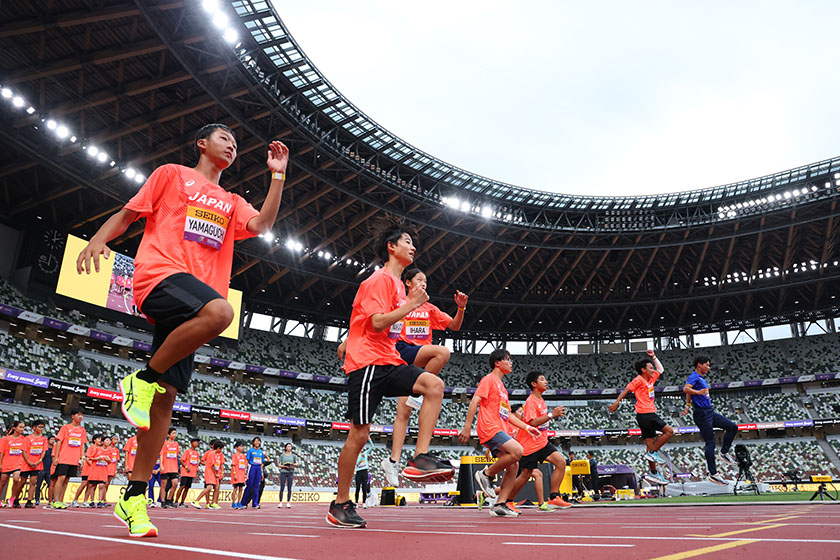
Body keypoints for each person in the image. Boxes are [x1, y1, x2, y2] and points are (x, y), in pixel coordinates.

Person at [76, 123, 289, 537]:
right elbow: (128, 213)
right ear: (201, 144)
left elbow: (262, 224)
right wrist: (99, 239)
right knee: (222, 313)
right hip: (160, 274)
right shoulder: (172, 174)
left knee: (166, 400)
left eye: (236, 143)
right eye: (224, 138)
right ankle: (141, 379)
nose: (231, 145)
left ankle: (134, 496)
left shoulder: (232, 201)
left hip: (194, 301)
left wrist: (277, 175)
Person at [328, 216, 454, 528]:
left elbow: (371, 322)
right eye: (407, 241)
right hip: (368, 365)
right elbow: (375, 323)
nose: (413, 247)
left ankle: (420, 456)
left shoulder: (398, 286)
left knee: (434, 385)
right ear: (391, 247)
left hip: (390, 360)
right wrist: (411, 304)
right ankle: (340, 503)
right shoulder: (380, 280)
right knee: (359, 435)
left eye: (413, 243)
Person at [378, 267, 468, 486]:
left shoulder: (429, 308)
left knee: (441, 353)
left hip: (419, 355)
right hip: (400, 351)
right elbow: (377, 323)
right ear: (408, 283)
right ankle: (393, 461)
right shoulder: (399, 302)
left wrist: (461, 308)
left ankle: (399, 459)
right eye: (419, 279)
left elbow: (454, 326)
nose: (424, 283)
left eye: (426, 281)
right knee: (403, 413)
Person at [460, 349, 541, 517]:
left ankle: (500, 504)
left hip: (500, 428)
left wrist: (526, 428)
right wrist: (467, 426)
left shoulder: (502, 387)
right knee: (518, 451)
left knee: (514, 465)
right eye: (508, 359)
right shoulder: (488, 380)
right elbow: (475, 401)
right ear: (497, 363)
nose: (511, 363)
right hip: (490, 427)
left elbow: (508, 415)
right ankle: (486, 474)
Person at [507, 372, 572, 510]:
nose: (546, 381)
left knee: (561, 462)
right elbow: (532, 422)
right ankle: (507, 501)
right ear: (534, 384)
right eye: (542, 379)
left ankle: (554, 497)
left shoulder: (541, 400)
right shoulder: (531, 401)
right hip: (530, 445)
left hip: (542, 442)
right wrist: (551, 415)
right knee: (525, 475)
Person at [608, 350, 674, 485]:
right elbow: (626, 390)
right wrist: (616, 402)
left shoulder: (652, 378)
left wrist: (654, 357)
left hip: (647, 414)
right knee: (669, 431)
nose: (653, 369)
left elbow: (661, 369)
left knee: (650, 444)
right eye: (650, 368)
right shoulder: (638, 380)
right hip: (646, 414)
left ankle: (653, 473)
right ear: (643, 370)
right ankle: (653, 453)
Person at [681, 355, 738, 485]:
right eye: (706, 364)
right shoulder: (694, 376)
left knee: (732, 427)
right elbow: (686, 389)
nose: (709, 367)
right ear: (699, 365)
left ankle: (724, 452)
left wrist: (688, 405)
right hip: (702, 414)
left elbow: (689, 392)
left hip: (709, 411)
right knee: (710, 442)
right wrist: (699, 393)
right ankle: (713, 474)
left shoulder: (701, 378)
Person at [52, 408, 88, 508]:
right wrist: (56, 457)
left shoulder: (82, 430)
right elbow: (59, 442)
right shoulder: (65, 428)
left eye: (82, 415)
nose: (80, 416)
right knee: (61, 478)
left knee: (67, 480)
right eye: (78, 414)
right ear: (72, 416)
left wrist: (82, 458)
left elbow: (82, 445)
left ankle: (61, 500)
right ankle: (56, 500)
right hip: (64, 457)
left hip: (74, 459)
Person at [21, 419, 47, 508]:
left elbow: (43, 451)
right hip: (26, 464)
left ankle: (29, 501)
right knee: (22, 481)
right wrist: (28, 462)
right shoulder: (27, 438)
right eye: (39, 427)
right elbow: (23, 451)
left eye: (42, 427)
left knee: (33, 482)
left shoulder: (44, 439)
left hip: (36, 464)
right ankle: (16, 498)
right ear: (34, 428)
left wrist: (38, 461)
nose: (41, 429)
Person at [0, 420, 26, 508]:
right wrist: (0, 463)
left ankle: (12, 498)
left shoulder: (24, 439)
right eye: (20, 427)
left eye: (23, 428)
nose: (22, 429)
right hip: (6, 463)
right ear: (14, 428)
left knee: (16, 479)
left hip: (18, 464)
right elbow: (1, 452)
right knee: (2, 482)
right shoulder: (5, 439)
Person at [193, 439, 224, 509]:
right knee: (209, 487)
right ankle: (196, 501)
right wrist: (216, 473)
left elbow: (220, 464)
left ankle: (213, 503)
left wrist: (220, 472)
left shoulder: (217, 454)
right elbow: (212, 465)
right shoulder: (211, 453)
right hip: (210, 472)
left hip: (215, 472)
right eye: (221, 449)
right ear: (218, 448)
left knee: (217, 487)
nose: (221, 451)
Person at [83, 434, 109, 507]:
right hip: (92, 470)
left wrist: (107, 460)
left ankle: (100, 501)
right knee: (88, 485)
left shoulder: (107, 450)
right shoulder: (93, 448)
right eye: (98, 439)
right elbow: (89, 458)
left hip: (102, 471)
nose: (100, 440)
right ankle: (86, 500)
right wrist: (95, 463)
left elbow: (110, 461)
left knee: (101, 485)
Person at [175, 438, 201, 508]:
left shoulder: (197, 453)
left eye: (197, 442)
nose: (196, 444)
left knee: (187, 488)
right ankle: (176, 501)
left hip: (192, 473)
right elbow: (181, 460)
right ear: (191, 443)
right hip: (185, 473)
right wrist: (186, 467)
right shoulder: (187, 451)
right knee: (182, 486)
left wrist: (197, 468)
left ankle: (182, 502)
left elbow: (196, 462)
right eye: (195, 442)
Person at [241, 437, 265, 509]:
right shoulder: (250, 451)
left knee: (257, 486)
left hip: (258, 468)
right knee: (249, 485)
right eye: (256, 441)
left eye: (258, 441)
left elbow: (261, 463)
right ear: (253, 442)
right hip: (252, 467)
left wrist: (262, 472)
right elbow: (247, 461)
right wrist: (245, 471)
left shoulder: (261, 452)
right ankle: (244, 503)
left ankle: (255, 503)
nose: (257, 442)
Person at [159, 428, 180, 507]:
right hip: (166, 467)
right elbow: (161, 455)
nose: (175, 435)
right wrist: (161, 465)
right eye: (173, 433)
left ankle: (169, 499)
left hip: (174, 467)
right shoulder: (164, 444)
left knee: (175, 483)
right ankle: (162, 501)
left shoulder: (176, 444)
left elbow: (176, 455)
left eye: (175, 433)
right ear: (168, 435)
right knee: (163, 485)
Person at [35, 435, 55, 506]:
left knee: (50, 485)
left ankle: (52, 499)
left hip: (49, 470)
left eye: (54, 440)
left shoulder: (54, 449)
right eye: (51, 439)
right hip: (42, 469)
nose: (53, 441)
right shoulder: (44, 449)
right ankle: (37, 499)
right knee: (38, 485)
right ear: (48, 440)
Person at [277, 443, 297, 509]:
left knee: (289, 488)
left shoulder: (293, 456)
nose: (289, 448)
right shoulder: (282, 455)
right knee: (282, 487)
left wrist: (293, 465)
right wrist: (284, 466)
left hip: (290, 472)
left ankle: (288, 502)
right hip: (283, 472)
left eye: (290, 446)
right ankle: (280, 502)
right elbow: (279, 464)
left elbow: (297, 463)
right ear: (285, 448)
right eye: (288, 446)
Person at [102, 434, 120, 505]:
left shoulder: (116, 450)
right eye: (114, 439)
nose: (116, 441)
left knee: (107, 485)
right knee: (104, 484)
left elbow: (116, 461)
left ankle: (104, 499)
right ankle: (103, 500)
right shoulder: (107, 448)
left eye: (117, 439)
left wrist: (115, 470)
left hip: (112, 469)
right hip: (106, 468)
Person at [354, 439, 372, 506]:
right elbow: (357, 463)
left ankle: (364, 503)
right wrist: (361, 457)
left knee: (364, 488)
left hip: (364, 471)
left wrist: (369, 439)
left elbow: (372, 447)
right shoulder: (356, 455)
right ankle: (356, 503)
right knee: (357, 488)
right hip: (358, 472)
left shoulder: (365, 453)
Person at [230, 441, 247, 509]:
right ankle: (233, 502)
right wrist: (234, 473)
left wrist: (245, 474)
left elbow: (245, 466)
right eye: (240, 446)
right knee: (235, 489)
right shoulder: (235, 455)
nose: (242, 448)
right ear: (236, 448)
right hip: (236, 474)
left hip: (242, 475)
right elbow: (233, 465)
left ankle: (239, 502)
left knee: (241, 489)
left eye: (243, 446)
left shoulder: (243, 456)